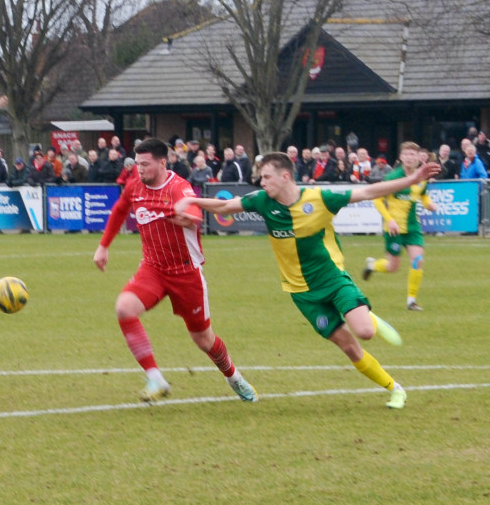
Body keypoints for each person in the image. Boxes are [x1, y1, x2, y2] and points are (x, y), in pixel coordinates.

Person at [176, 152, 441, 409]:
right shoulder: (261, 201)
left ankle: (369, 319)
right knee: (349, 347)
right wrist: (192, 202)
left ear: (285, 176)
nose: (262, 182)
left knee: (365, 332)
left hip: (333, 279)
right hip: (302, 293)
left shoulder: (320, 198)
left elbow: (370, 192)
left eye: (267, 177)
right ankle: (395, 388)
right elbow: (224, 206)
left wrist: (413, 178)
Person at [93, 138, 258, 403]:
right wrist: (103, 246)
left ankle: (233, 376)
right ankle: (155, 378)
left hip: (186, 274)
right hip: (153, 268)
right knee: (124, 308)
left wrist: (184, 217)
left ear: (162, 162)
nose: (140, 170)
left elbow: (193, 212)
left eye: (145, 164)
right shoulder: (135, 186)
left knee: (204, 340)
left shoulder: (180, 187)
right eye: (138, 164)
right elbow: (121, 208)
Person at [362, 142, 437, 311]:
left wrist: (429, 204)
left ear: (419, 157)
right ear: (401, 157)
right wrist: (389, 219)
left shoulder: (421, 178)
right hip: (394, 229)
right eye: (407, 154)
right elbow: (378, 199)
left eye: (413, 155)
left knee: (418, 260)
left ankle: (411, 301)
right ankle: (372, 265)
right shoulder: (392, 178)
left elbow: (423, 197)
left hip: (413, 228)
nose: (410, 158)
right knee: (392, 267)